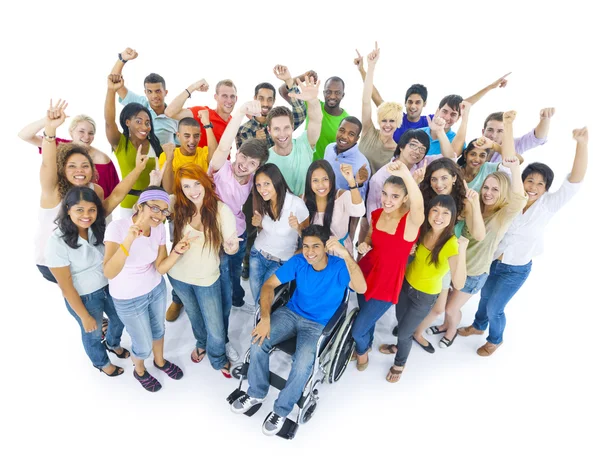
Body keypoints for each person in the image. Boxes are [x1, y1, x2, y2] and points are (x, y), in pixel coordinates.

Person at [458, 126, 587, 356]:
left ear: (546, 187)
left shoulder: (549, 204)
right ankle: (478, 326)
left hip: (516, 269)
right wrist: (496, 144)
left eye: (540, 184)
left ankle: (495, 339)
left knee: (496, 307)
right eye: (529, 181)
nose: (533, 187)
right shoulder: (511, 197)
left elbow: (574, 181)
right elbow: (512, 162)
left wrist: (581, 144)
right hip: (493, 261)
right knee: (485, 297)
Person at [230, 225, 367, 436]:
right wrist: (265, 319)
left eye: (315, 246)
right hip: (291, 313)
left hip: (317, 325)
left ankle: (281, 410)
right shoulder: (299, 261)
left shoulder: (340, 267)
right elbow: (268, 286)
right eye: (306, 246)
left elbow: (362, 288)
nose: (310, 252)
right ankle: (256, 393)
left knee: (303, 364)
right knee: (258, 341)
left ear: (326, 247)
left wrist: (347, 255)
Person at [430, 111, 528, 349]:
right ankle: (445, 324)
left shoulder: (504, 212)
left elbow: (515, 172)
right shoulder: (478, 205)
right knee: (447, 302)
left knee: (452, 308)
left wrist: (506, 129)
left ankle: (451, 330)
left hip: (475, 271)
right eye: (486, 188)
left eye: (495, 190)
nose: (489, 193)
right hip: (459, 262)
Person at [36, 99, 150, 283]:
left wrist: (137, 170)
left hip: (83, 259)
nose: (79, 170)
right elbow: (48, 162)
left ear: (93, 169)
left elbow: (115, 197)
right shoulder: (54, 189)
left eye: (85, 166)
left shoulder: (94, 190)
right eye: (72, 166)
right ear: (63, 168)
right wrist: (50, 131)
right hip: (53, 263)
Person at [103, 186, 190, 392]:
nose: (159, 215)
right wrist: (130, 239)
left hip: (155, 290)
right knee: (141, 344)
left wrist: (177, 251)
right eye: (154, 208)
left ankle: (160, 361)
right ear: (139, 206)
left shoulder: (159, 228)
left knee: (158, 329)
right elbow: (109, 271)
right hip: (128, 298)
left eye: (164, 211)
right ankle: (139, 370)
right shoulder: (117, 228)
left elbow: (160, 268)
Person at [379, 195, 469, 382]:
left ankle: (400, 362)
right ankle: (400, 345)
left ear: (452, 217)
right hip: (405, 285)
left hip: (424, 296)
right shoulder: (423, 230)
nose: (439, 216)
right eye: (435, 210)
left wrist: (462, 252)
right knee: (401, 321)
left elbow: (459, 284)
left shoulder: (451, 243)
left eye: (445, 213)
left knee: (405, 332)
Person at [46, 186, 128, 377]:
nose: (86, 215)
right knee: (92, 332)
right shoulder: (56, 242)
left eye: (92, 209)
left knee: (120, 318)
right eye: (79, 210)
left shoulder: (97, 228)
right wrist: (84, 316)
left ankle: (112, 343)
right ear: (68, 209)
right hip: (85, 297)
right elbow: (66, 287)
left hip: (109, 287)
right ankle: (102, 363)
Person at [168, 163, 240, 376]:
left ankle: (218, 357)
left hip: (207, 278)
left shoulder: (221, 210)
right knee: (193, 313)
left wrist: (232, 246)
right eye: (186, 186)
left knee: (215, 324)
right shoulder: (178, 205)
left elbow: (232, 244)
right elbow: (150, 205)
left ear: (206, 182)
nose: (193, 191)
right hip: (178, 275)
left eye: (196, 184)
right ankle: (201, 343)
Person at [351, 161, 424, 371]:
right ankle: (368, 341)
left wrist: (406, 175)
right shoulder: (376, 214)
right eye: (385, 194)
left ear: (404, 198)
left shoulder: (410, 222)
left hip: (386, 283)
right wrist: (364, 244)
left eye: (394, 196)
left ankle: (362, 351)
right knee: (366, 317)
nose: (387, 200)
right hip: (365, 272)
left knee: (358, 330)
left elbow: (418, 206)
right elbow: (370, 237)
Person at [408, 158, 485, 351]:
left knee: (440, 308)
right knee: (421, 299)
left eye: (444, 178)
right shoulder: (428, 196)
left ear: (454, 178)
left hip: (446, 258)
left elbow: (479, 234)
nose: (438, 184)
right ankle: (411, 328)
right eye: (434, 179)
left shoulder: (464, 202)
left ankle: (425, 332)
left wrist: (474, 204)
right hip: (424, 255)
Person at [209, 101, 270, 312]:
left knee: (235, 273)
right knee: (222, 275)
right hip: (217, 234)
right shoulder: (220, 168)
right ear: (237, 153)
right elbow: (223, 146)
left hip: (240, 233)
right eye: (243, 157)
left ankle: (237, 299)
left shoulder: (254, 179)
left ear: (257, 167)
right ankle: (224, 305)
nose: (244, 164)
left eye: (252, 163)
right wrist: (240, 113)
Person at [19, 114, 121, 198]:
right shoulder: (59, 146)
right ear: (71, 132)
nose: (86, 137)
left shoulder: (102, 160)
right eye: (81, 131)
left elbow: (113, 194)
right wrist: (46, 120)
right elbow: (24, 135)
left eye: (91, 133)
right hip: (63, 205)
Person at [250, 164, 309, 306]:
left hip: (280, 261)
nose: (262, 189)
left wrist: (298, 227)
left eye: (266, 184)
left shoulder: (296, 204)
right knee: (258, 302)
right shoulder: (263, 201)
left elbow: (308, 237)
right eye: (258, 185)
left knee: (265, 302)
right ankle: (259, 325)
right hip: (257, 255)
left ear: (276, 181)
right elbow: (269, 229)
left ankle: (261, 326)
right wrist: (258, 223)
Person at [105, 74, 162, 213]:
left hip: (154, 204)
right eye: (138, 121)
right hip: (129, 205)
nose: (144, 126)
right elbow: (109, 121)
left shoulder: (155, 144)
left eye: (147, 122)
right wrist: (111, 90)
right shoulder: (120, 142)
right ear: (127, 122)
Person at [267, 76, 323, 196]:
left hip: (308, 211)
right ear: (269, 130)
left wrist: (313, 101)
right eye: (276, 129)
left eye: (286, 128)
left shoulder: (304, 143)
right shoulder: (265, 159)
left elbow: (316, 120)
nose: (282, 134)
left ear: (292, 127)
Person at [109, 47, 178, 145]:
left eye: (158, 91)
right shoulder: (140, 104)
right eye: (150, 91)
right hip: (141, 157)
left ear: (165, 92)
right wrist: (122, 59)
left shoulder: (175, 114)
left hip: (165, 159)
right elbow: (115, 82)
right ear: (145, 92)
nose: (154, 96)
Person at [278, 70, 346, 161]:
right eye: (329, 92)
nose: (332, 96)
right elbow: (283, 91)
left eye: (337, 93)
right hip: (305, 165)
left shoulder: (346, 121)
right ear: (324, 93)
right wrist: (303, 76)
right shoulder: (311, 104)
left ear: (343, 95)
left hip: (327, 171)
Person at [235, 65, 307, 149]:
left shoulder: (282, 122)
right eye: (261, 99)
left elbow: (300, 113)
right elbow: (242, 159)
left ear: (274, 101)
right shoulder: (243, 130)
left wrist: (289, 81)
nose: (265, 104)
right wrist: (254, 142)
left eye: (269, 99)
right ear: (255, 98)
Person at [359, 43, 404, 174]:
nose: (387, 125)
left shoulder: (397, 151)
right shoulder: (369, 131)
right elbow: (366, 100)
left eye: (392, 121)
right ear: (379, 121)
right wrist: (371, 67)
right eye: (384, 120)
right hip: (352, 186)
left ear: (398, 123)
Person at [304, 160, 366, 254]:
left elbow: (359, 211)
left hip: (339, 252)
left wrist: (351, 181)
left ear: (331, 179)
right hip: (314, 254)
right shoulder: (303, 200)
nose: (321, 185)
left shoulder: (342, 196)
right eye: (315, 180)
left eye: (325, 179)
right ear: (309, 182)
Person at [165, 78, 237, 148]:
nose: (229, 101)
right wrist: (193, 87)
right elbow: (170, 112)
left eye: (232, 96)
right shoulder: (203, 113)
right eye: (224, 96)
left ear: (236, 98)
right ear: (216, 97)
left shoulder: (234, 122)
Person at [158, 115, 216, 194]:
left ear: (200, 136)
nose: (192, 141)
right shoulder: (166, 155)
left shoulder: (205, 152)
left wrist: (207, 124)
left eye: (196, 136)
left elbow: (216, 160)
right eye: (187, 136)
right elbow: (168, 190)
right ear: (178, 136)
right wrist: (169, 159)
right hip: (178, 204)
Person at [323, 116, 371, 200]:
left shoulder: (362, 164)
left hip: (342, 209)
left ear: (357, 139)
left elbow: (360, 201)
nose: (344, 136)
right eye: (342, 130)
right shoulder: (329, 148)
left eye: (351, 134)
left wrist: (359, 184)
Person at [482, 108, 554, 163]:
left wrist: (545, 119)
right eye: (490, 130)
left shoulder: (514, 145)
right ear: (483, 131)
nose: (494, 135)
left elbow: (537, 138)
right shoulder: (473, 146)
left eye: (500, 131)